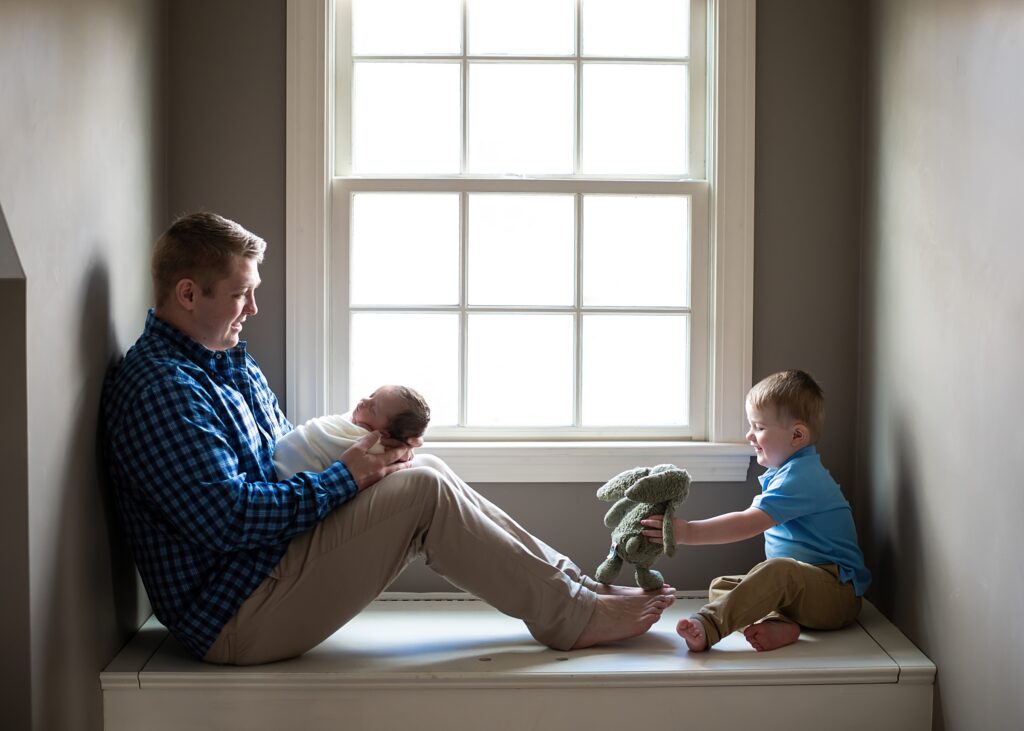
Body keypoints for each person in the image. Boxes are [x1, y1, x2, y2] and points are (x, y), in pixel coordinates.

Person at [102, 211, 673, 666]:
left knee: (425, 471)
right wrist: (347, 475)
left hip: (268, 568)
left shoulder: (228, 363)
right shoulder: (160, 388)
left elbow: (277, 468)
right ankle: (573, 617)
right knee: (420, 490)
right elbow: (225, 520)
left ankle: (577, 592)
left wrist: (370, 461)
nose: (253, 307)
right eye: (239, 294)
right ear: (187, 294)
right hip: (234, 614)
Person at [642, 369, 870, 653]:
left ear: (797, 435)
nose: (749, 435)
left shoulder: (802, 477)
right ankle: (779, 623)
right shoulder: (786, 473)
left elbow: (747, 523)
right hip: (799, 594)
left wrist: (687, 531)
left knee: (778, 572)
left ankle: (708, 626)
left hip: (836, 595)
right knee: (722, 587)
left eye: (759, 428)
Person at [273, 384, 430, 480]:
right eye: (371, 396)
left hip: (284, 458)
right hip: (291, 477)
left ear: (385, 435)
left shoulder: (368, 439)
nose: (363, 401)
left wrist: (404, 445)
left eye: (373, 409)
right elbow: (398, 457)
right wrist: (403, 449)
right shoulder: (355, 426)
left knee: (430, 465)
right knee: (428, 477)